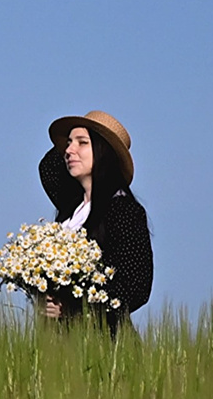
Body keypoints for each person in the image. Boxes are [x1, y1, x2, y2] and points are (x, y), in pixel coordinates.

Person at [36, 111, 154, 331]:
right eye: (68, 143)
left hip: (104, 340)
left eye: (82, 143)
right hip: (59, 342)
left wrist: (72, 306)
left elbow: (136, 286)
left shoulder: (124, 210)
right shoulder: (72, 209)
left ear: (103, 151)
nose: (69, 150)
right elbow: (49, 168)